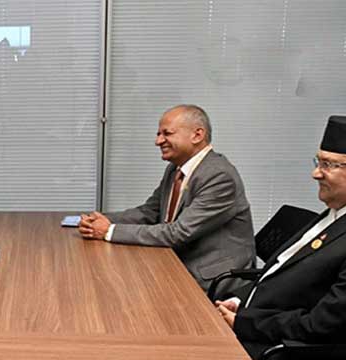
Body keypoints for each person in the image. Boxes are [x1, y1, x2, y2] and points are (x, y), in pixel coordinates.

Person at [216, 115, 346, 360]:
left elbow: (326, 325)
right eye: (318, 161)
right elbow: (283, 273)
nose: (316, 173)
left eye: (329, 164)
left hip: (295, 359)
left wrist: (246, 322)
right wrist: (238, 300)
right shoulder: (342, 209)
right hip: (265, 332)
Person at [79, 104, 255, 294]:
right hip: (174, 261)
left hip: (209, 278)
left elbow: (178, 232)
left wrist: (109, 231)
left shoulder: (219, 176)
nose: (158, 141)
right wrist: (101, 220)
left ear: (197, 135)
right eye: (158, 134)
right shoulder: (176, 168)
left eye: (167, 133)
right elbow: (149, 212)